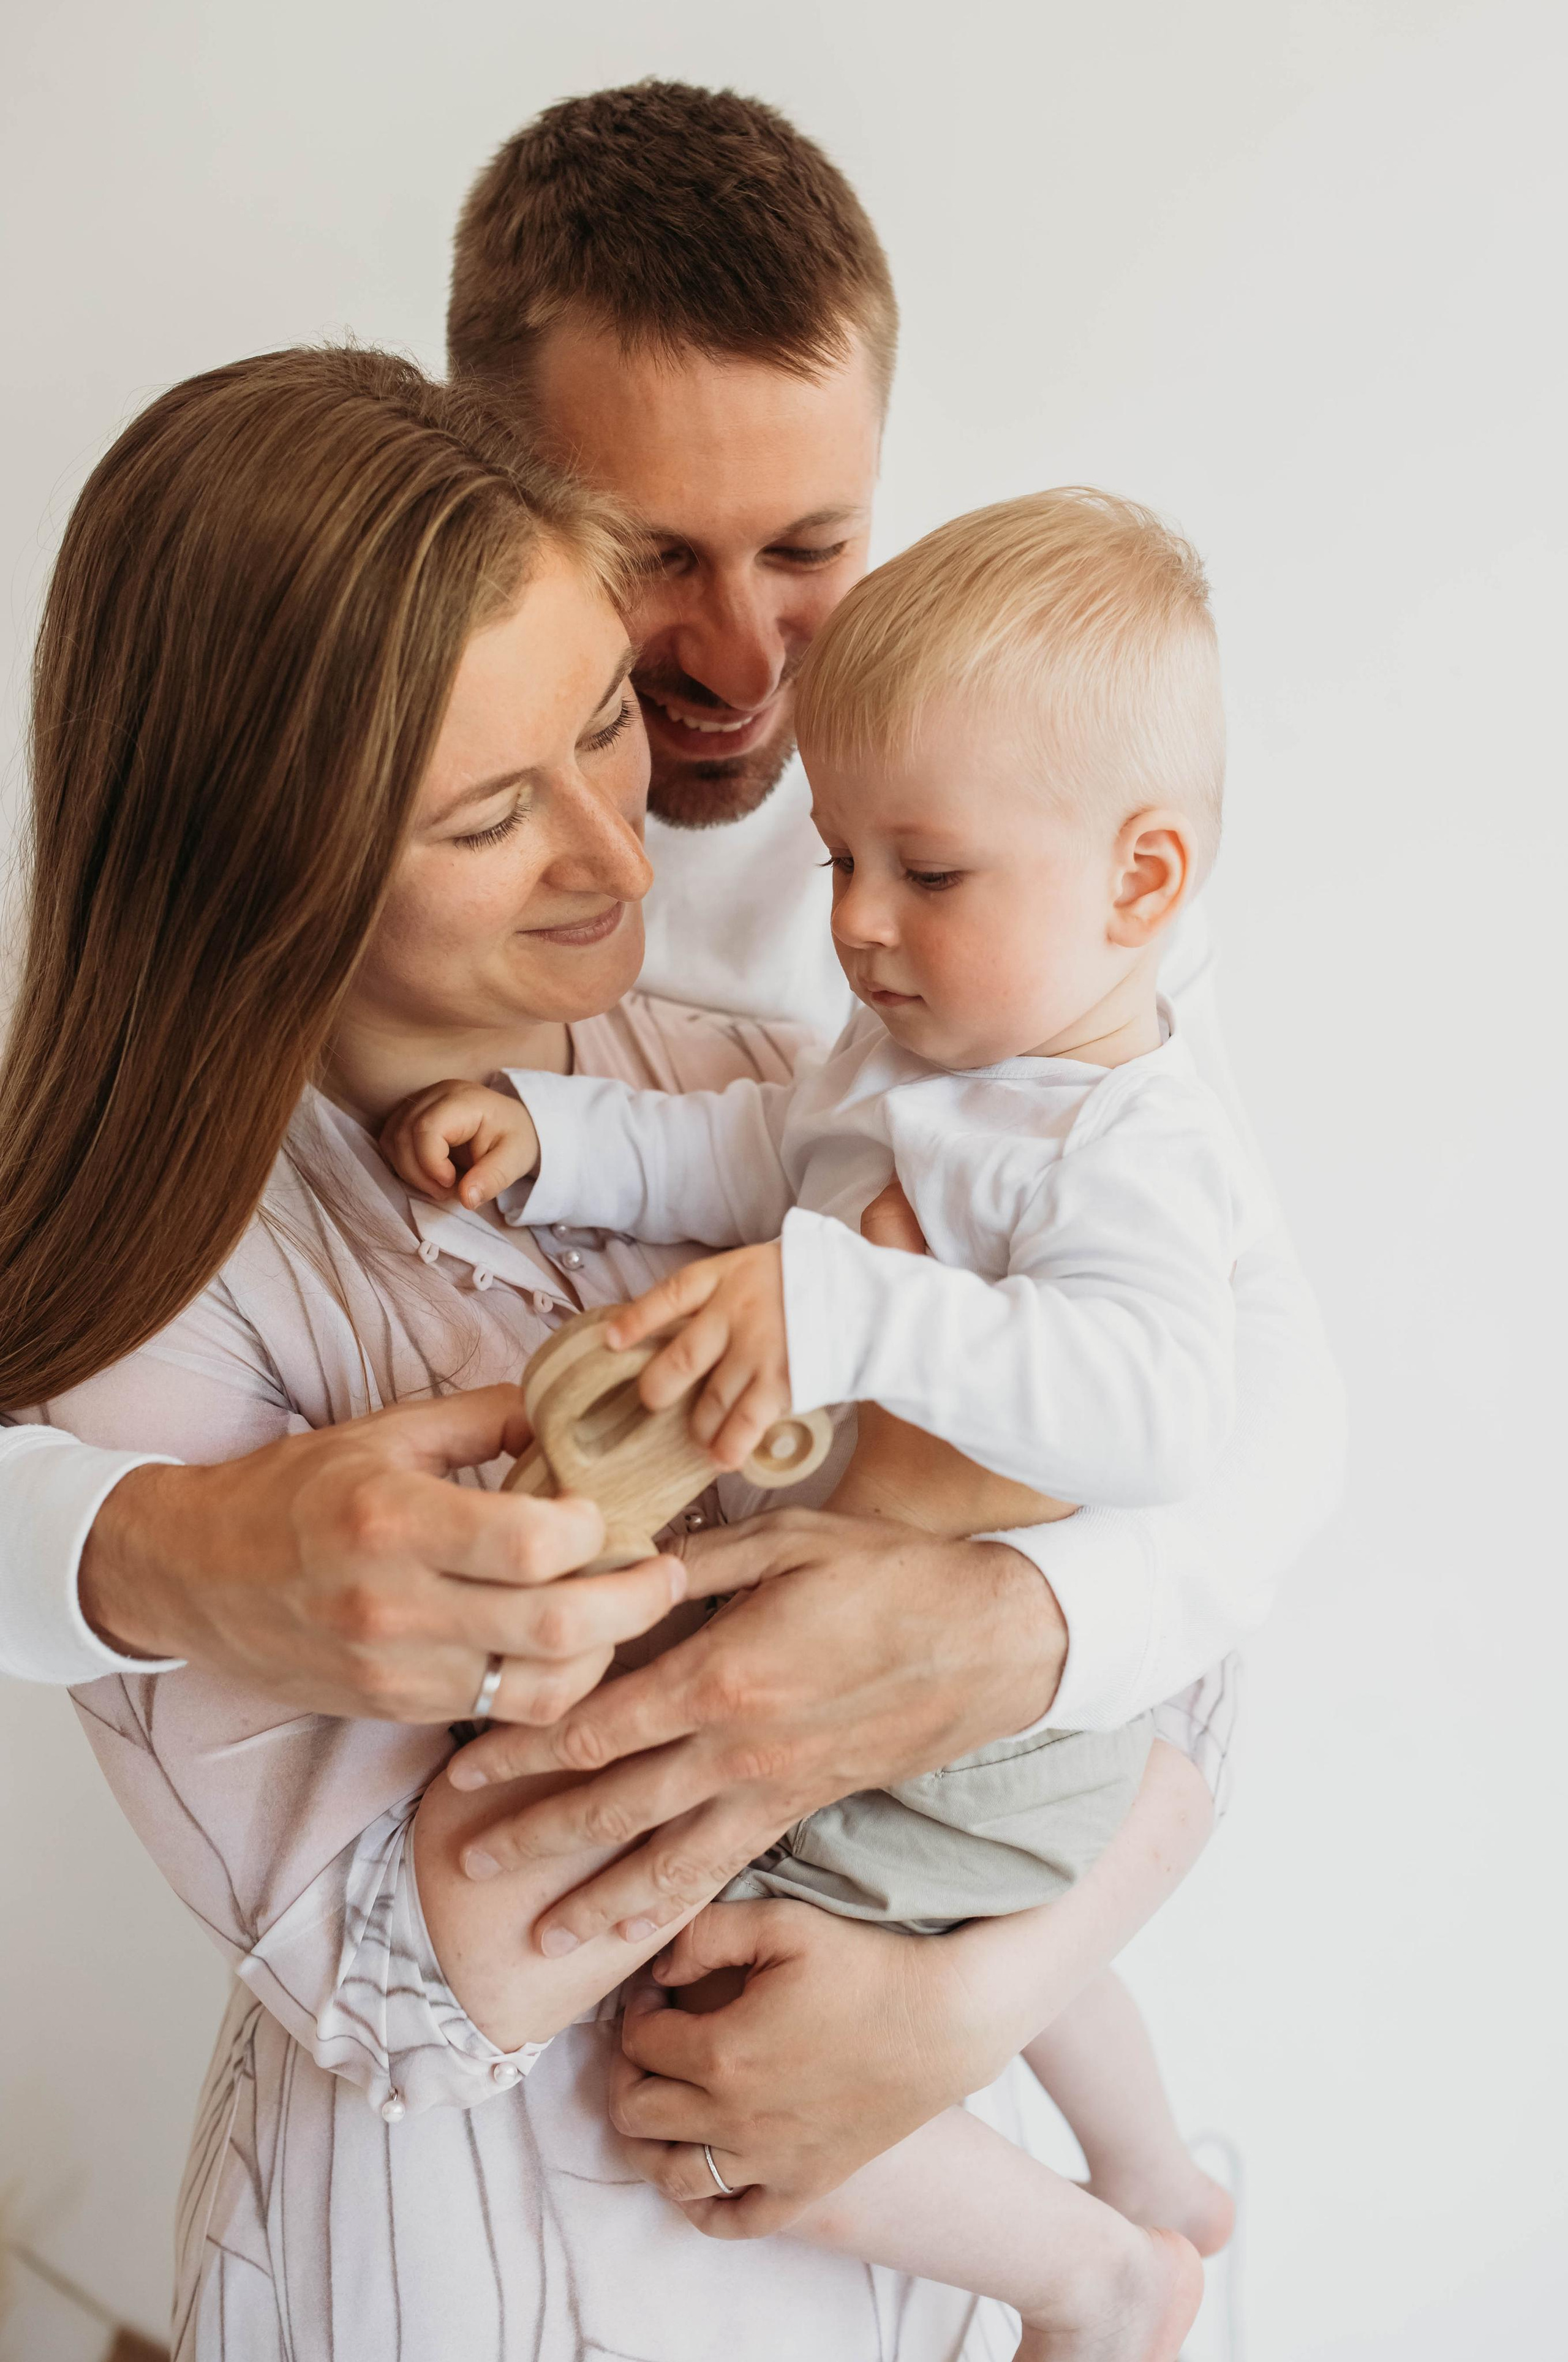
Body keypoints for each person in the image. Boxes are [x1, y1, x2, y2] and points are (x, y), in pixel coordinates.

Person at [0, 80, 1344, 2233]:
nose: (734, 686)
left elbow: (1243, 1468)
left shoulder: (1003, 862)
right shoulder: (255, 1192)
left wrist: (980, 1970)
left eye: (812, 550)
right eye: (652, 585)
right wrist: (124, 1547)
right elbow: (391, 1962)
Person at [380, 489, 1253, 2353]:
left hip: (987, 1735)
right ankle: (1155, 2169)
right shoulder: (917, 1059)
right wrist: (556, 1142)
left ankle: (1097, 2277)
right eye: (838, 857)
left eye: (924, 876)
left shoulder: (1126, 1145)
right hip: (975, 1723)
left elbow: (1163, 1414)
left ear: (1141, 884)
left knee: (696, 2027)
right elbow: (738, 1155)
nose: (856, 926)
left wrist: (852, 1303)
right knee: (948, 1925)